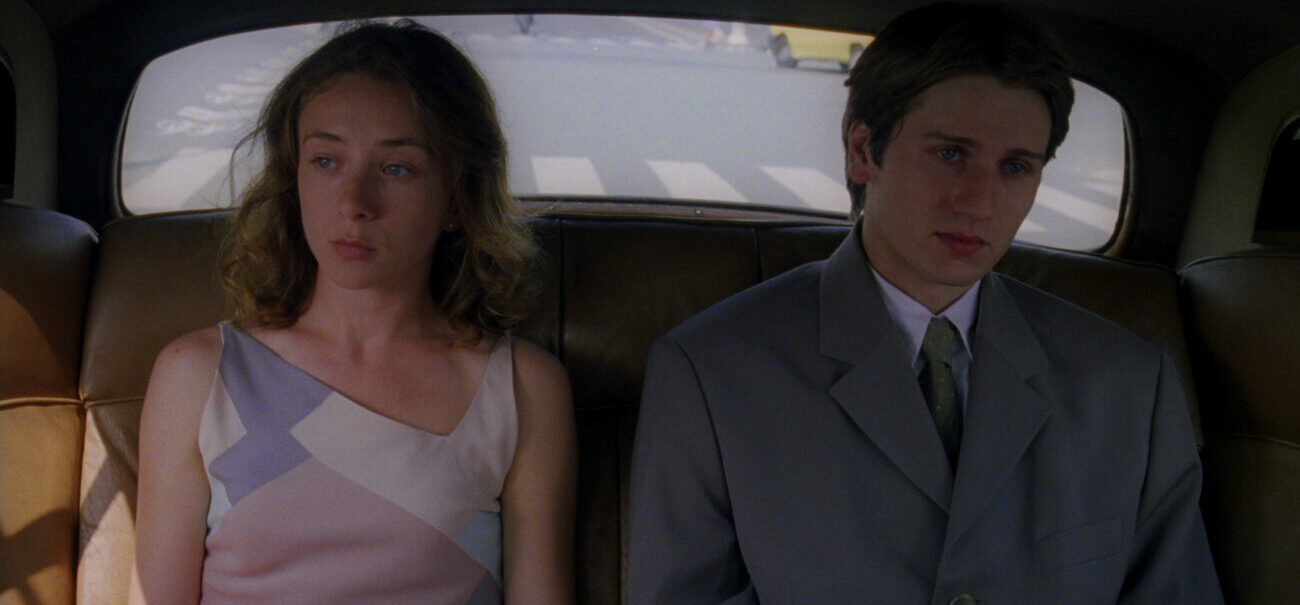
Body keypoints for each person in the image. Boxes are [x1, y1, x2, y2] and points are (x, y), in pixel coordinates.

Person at [627, 3, 1222, 603]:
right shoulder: (712, 374)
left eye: (1016, 167)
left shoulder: (1127, 386)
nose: (979, 203)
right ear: (863, 151)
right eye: (950, 154)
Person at [129, 22, 577, 604]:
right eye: (325, 161)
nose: (354, 203)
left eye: (397, 168)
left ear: (456, 199)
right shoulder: (197, 374)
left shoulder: (521, 389)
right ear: (293, 178)